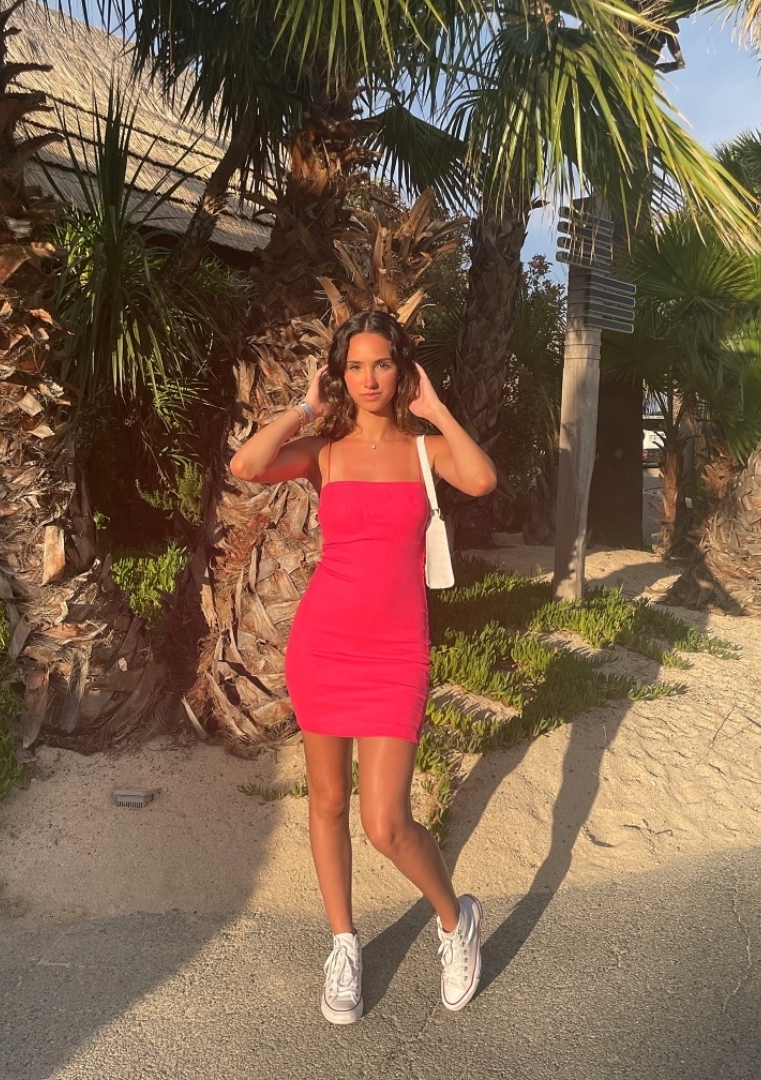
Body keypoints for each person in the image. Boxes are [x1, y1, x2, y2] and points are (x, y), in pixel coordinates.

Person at [230, 310, 497, 1024]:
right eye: (354, 366)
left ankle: (456, 920)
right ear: (338, 375)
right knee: (326, 802)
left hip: (396, 653)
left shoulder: (424, 449)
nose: (368, 378)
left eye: (381, 363)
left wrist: (436, 409)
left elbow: (481, 480)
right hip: (322, 647)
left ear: (401, 369)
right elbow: (246, 466)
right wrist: (303, 409)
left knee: (386, 823)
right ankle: (343, 944)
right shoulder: (324, 451)